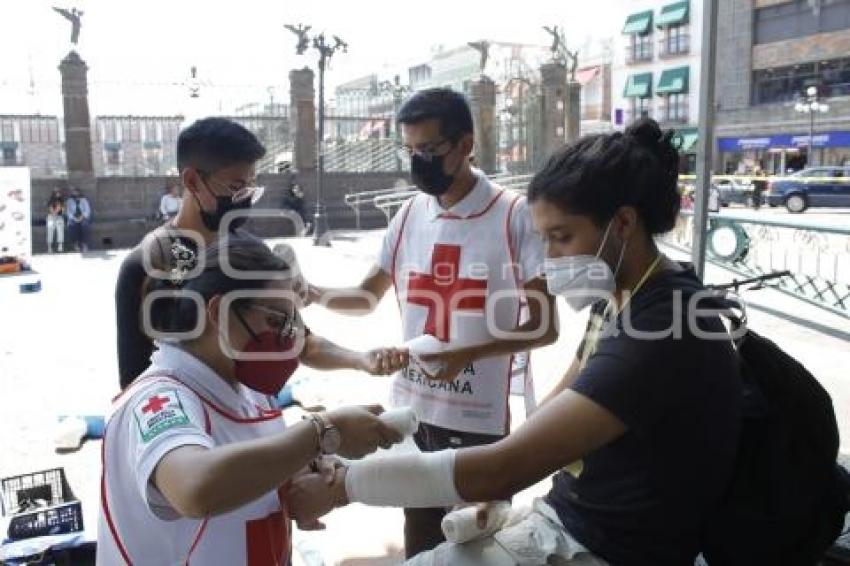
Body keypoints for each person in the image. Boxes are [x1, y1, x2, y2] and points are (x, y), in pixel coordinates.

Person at [294, 119, 743, 565]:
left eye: (562, 237)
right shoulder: (623, 296)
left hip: (608, 547)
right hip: (574, 519)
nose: (549, 260)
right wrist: (500, 487)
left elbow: (505, 463)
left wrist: (343, 486)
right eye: (544, 239)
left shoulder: (665, 326)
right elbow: (558, 404)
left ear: (623, 222)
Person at [306, 87, 557, 558]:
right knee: (420, 543)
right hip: (413, 414)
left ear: (465, 145)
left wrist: (467, 353)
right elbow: (365, 296)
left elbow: (545, 327)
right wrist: (313, 293)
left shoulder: (512, 215)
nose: (419, 161)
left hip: (479, 420)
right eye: (411, 151)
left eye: (431, 150)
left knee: (476, 545)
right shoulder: (407, 215)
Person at [97, 235, 405, 565]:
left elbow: (250, 465)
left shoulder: (251, 391)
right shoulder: (158, 400)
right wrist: (324, 432)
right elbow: (195, 488)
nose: (287, 337)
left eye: (290, 323)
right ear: (218, 312)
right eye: (275, 321)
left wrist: (301, 473)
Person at [116, 117, 407, 392]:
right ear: (192, 181)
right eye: (235, 188)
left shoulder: (249, 254)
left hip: (249, 417)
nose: (243, 200)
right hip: (187, 430)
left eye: (250, 188)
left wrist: (360, 360)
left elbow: (302, 342)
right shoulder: (149, 266)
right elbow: (135, 385)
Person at [279, 161, 310, 234]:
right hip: (287, 207)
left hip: (295, 206)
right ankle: (303, 228)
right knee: (296, 213)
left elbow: (301, 202)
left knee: (302, 210)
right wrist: (297, 197)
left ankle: (306, 226)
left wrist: (300, 197)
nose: (295, 180)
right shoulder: (288, 188)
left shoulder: (297, 187)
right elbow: (288, 200)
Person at [65, 187, 92, 252]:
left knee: (85, 225)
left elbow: (87, 210)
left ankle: (84, 244)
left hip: (83, 217)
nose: (75, 193)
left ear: (79, 192)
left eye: (76, 192)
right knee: (72, 225)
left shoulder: (84, 200)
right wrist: (74, 218)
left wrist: (82, 217)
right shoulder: (69, 201)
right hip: (73, 217)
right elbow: (68, 211)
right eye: (74, 192)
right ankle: (75, 245)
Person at [46, 188, 65, 253]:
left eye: (59, 192)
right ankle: (49, 247)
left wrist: (59, 209)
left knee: (60, 231)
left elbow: (62, 210)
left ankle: (60, 246)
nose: (58, 193)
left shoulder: (62, 200)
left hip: (59, 217)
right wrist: (54, 213)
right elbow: (50, 208)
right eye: (57, 192)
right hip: (51, 217)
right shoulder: (50, 201)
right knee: (50, 231)